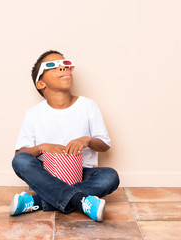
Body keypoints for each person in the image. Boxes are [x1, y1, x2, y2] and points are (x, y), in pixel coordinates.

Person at [9, 50, 119, 221]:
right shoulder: (34, 114)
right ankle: (80, 200)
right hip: (46, 174)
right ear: (41, 84)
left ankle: (39, 200)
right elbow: (20, 155)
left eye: (65, 64)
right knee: (20, 161)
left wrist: (87, 140)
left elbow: (104, 144)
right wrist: (42, 147)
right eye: (52, 66)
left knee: (110, 176)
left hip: (81, 174)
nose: (62, 68)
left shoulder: (88, 106)